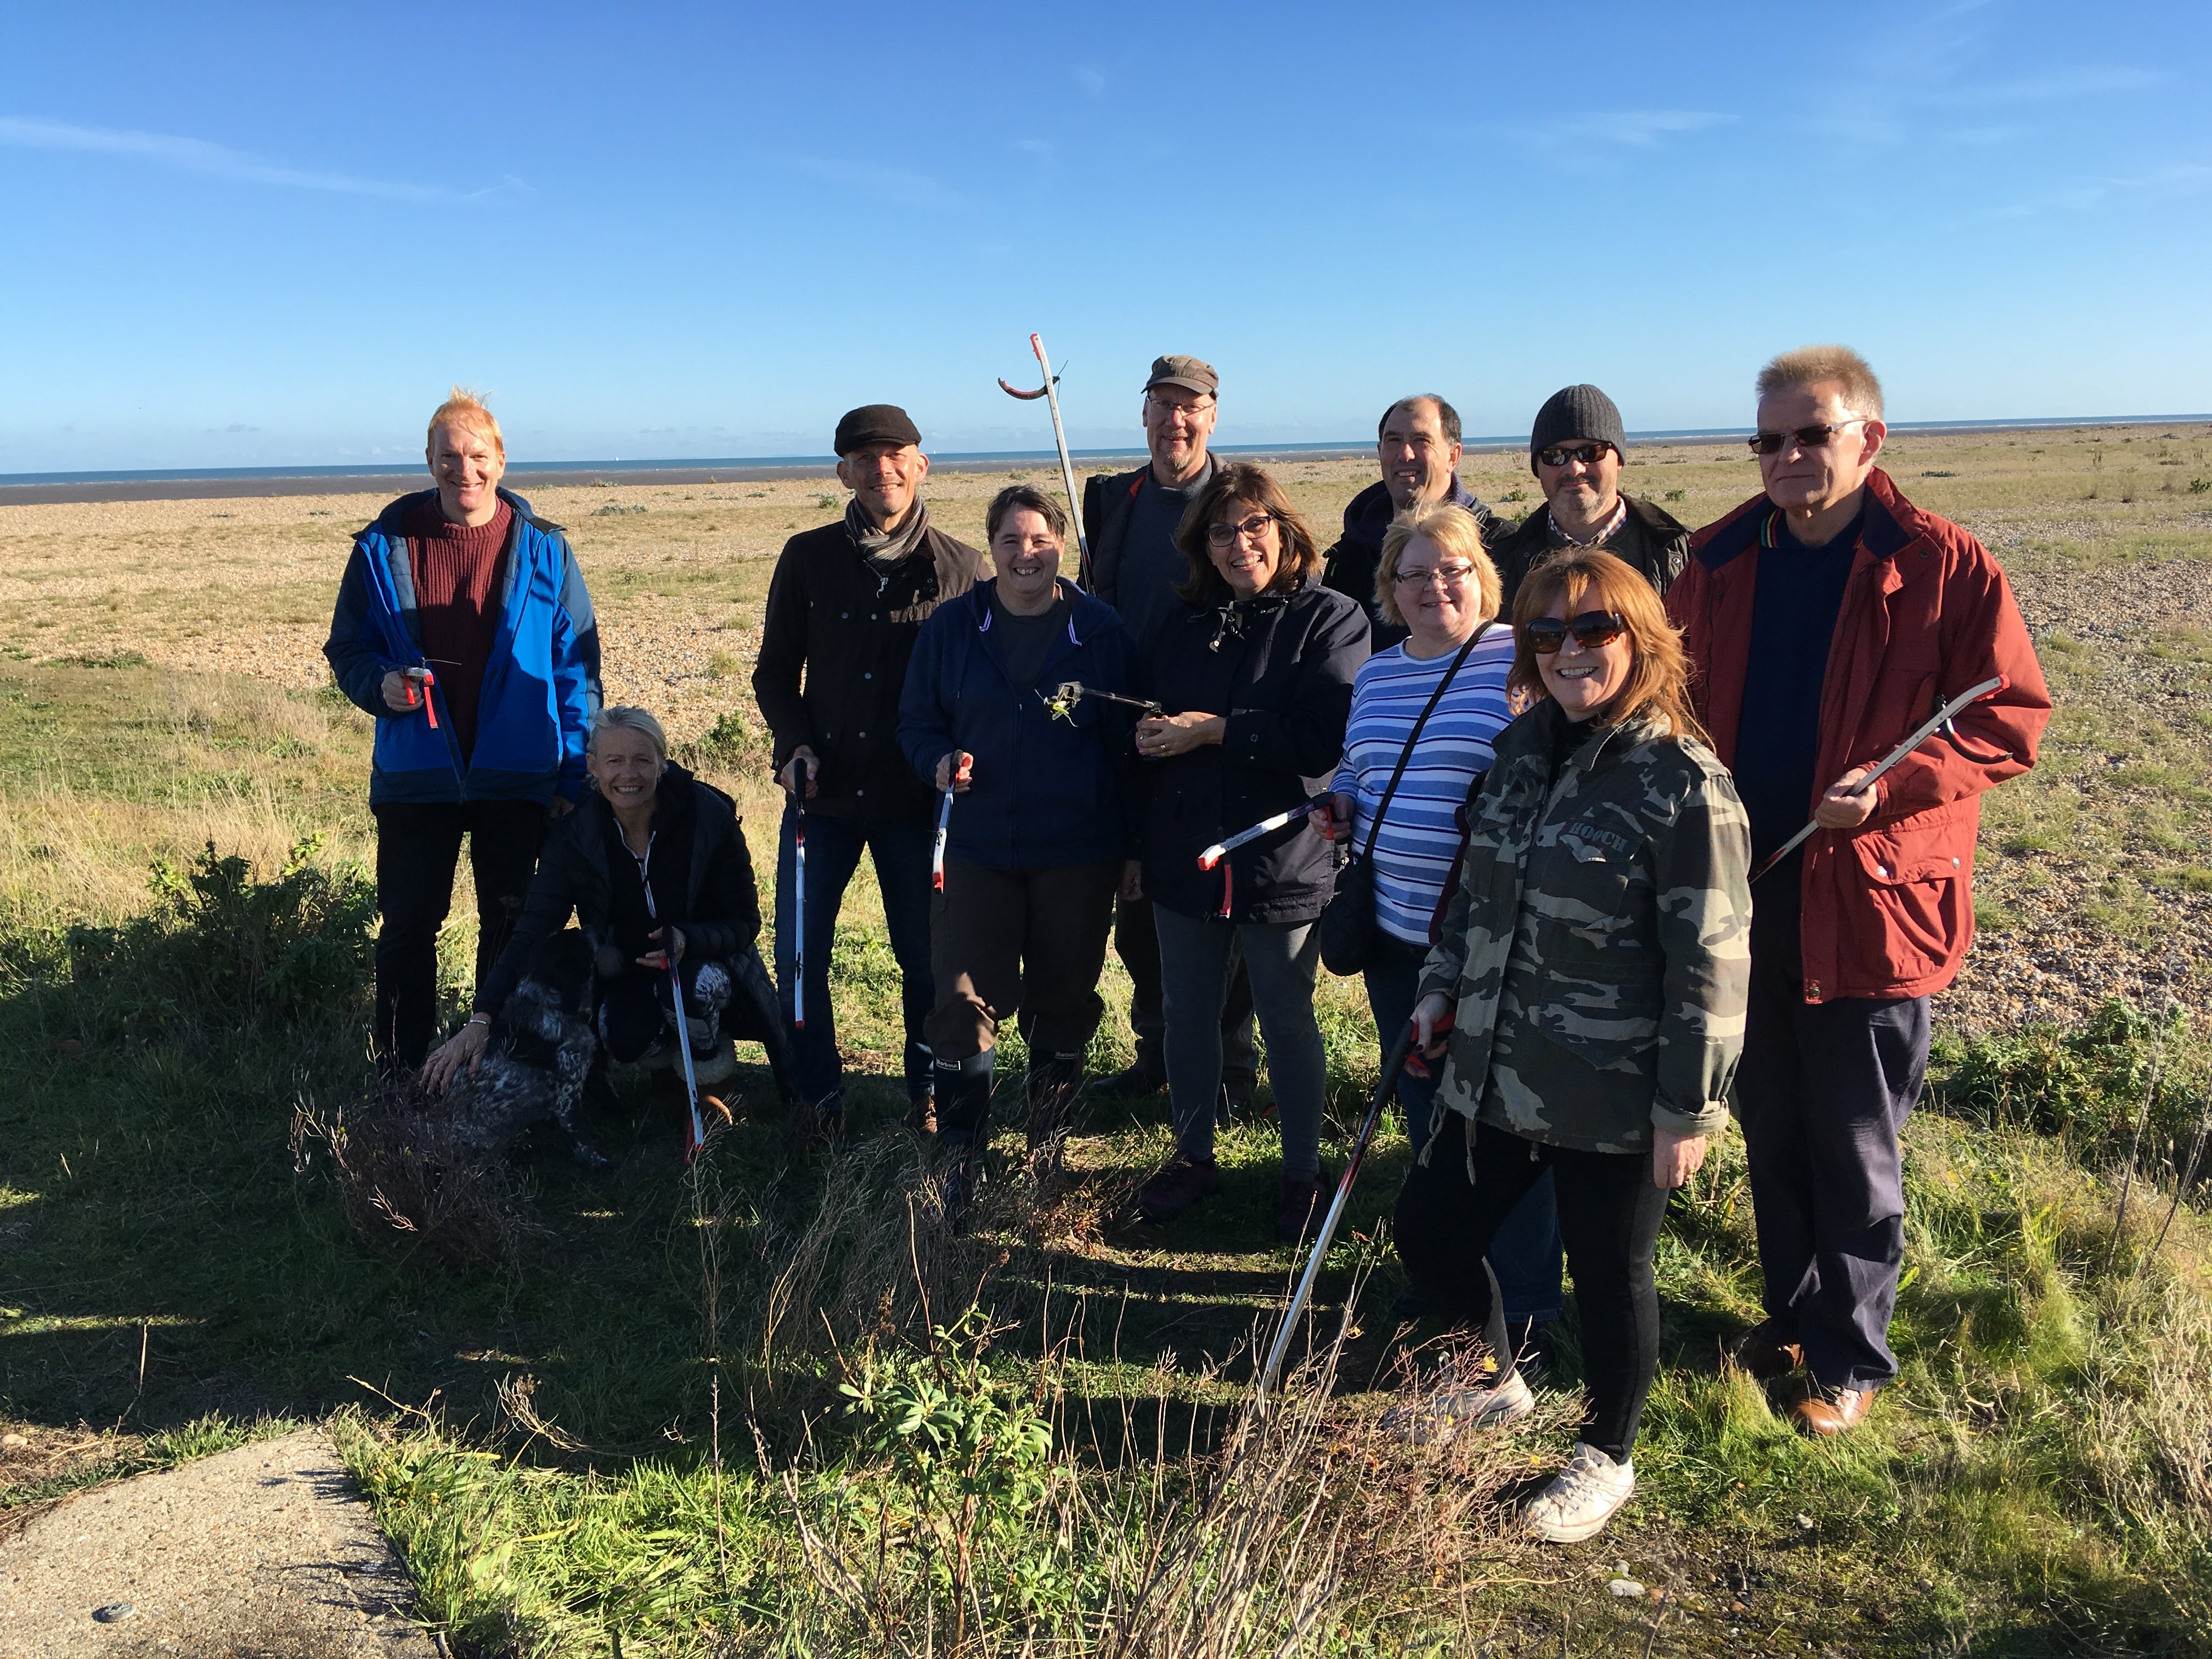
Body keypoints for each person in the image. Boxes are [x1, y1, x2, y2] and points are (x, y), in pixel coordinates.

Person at [1669, 346, 2050, 1436]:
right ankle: (1790, 1312)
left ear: (1867, 438)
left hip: (1870, 899)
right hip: (1748, 892)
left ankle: (1849, 1355)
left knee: (1855, 1136)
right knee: (1773, 1122)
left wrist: (1890, 788)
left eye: (1811, 435)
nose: (1788, 457)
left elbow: (2008, 713)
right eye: (1770, 439)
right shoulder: (1720, 559)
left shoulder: (1939, 563)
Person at [1391, 549, 1751, 1545]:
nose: (1568, 651)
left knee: (1608, 1272)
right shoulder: (1517, 755)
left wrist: (1689, 1106)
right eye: (1545, 633)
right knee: (1426, 1228)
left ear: (1641, 641)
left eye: (1592, 630)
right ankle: (1486, 1381)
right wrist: (1435, 992)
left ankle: (1606, 1451)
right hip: (1494, 1067)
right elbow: (1470, 898)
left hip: (1615, 1088)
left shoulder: (1684, 784)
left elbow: (1712, 964)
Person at [1316, 501, 1564, 1370]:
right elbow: (1357, 765)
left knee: (1502, 1127)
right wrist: (1340, 799)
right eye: (1414, 574)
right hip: (1393, 937)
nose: (1434, 587)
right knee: (1425, 1116)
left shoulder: (1517, 661)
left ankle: (1531, 1305)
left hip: (1493, 950)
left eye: (1451, 569)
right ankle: (1453, 1286)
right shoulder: (1379, 677)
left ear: (1481, 577)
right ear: (1390, 589)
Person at [324, 388, 601, 1075]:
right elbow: (347, 649)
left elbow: (576, 670)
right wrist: (378, 686)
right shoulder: (381, 548)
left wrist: (573, 777)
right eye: (450, 456)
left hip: (519, 775)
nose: (464, 469)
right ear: (429, 460)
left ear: (502, 461)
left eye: (478, 455)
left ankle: (491, 1069)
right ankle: (401, 1077)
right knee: (407, 930)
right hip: (417, 775)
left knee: (509, 929)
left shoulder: (546, 551)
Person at [1130, 462, 1369, 1238]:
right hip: (1186, 853)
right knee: (1186, 1015)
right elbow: (1157, 715)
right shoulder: (1185, 621)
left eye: (1254, 526)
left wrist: (1216, 730)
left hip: (1282, 856)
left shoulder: (1332, 619)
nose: (1240, 544)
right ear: (1203, 545)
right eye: (1222, 531)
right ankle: (1193, 1154)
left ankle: (1301, 1171)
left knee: (1286, 1016)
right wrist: (1154, 736)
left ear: (1285, 529)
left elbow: (1323, 739)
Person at [898, 487, 1139, 1218]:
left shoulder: (1100, 633)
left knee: (1064, 998)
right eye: (1009, 540)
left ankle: (1048, 1139)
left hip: (1076, 853)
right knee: (964, 997)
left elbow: (1127, 753)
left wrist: (1130, 848)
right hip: (975, 850)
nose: (1024, 553)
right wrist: (938, 761)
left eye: (1038, 540)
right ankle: (962, 1151)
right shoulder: (952, 627)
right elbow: (916, 723)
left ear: (1061, 544)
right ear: (991, 547)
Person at [752, 404, 984, 1141]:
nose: (882, 467)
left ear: (921, 464)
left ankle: (928, 1090)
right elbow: (774, 675)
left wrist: (957, 760)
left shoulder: (961, 569)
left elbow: (979, 688)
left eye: (896, 454)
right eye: (865, 456)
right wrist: (793, 746)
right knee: (798, 954)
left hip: (917, 802)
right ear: (843, 472)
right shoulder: (807, 556)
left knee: (925, 959)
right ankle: (816, 1098)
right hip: (819, 798)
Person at [421, 706, 777, 1104]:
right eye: (614, 762)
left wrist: (688, 940)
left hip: (702, 965)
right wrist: (482, 1017)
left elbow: (746, 920)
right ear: (593, 766)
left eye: (642, 760)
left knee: (693, 988)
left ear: (662, 764)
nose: (628, 775)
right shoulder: (575, 834)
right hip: (625, 970)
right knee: (623, 1039)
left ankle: (710, 1073)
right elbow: (532, 932)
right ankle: (666, 1067)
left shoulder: (709, 815)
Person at [1081, 355, 1260, 1113]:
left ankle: (1234, 1067)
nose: (1175, 421)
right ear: (1145, 414)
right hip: (1132, 737)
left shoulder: (1239, 500)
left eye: (1190, 408)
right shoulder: (1111, 500)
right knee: (1140, 909)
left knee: (1229, 904)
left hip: (1214, 733)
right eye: (1162, 406)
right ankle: (1158, 1052)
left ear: (1212, 416)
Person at [1488, 384, 1691, 617]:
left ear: (1619, 460)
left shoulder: (1681, 554)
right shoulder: (1500, 567)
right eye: (1555, 456)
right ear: (1537, 468)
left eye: (1591, 452)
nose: (1574, 468)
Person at [1322, 394, 1503, 650]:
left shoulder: (1500, 547)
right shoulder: (1350, 556)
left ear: (1453, 456)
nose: (1405, 454)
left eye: (1421, 441)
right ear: (1380, 452)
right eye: (1394, 441)